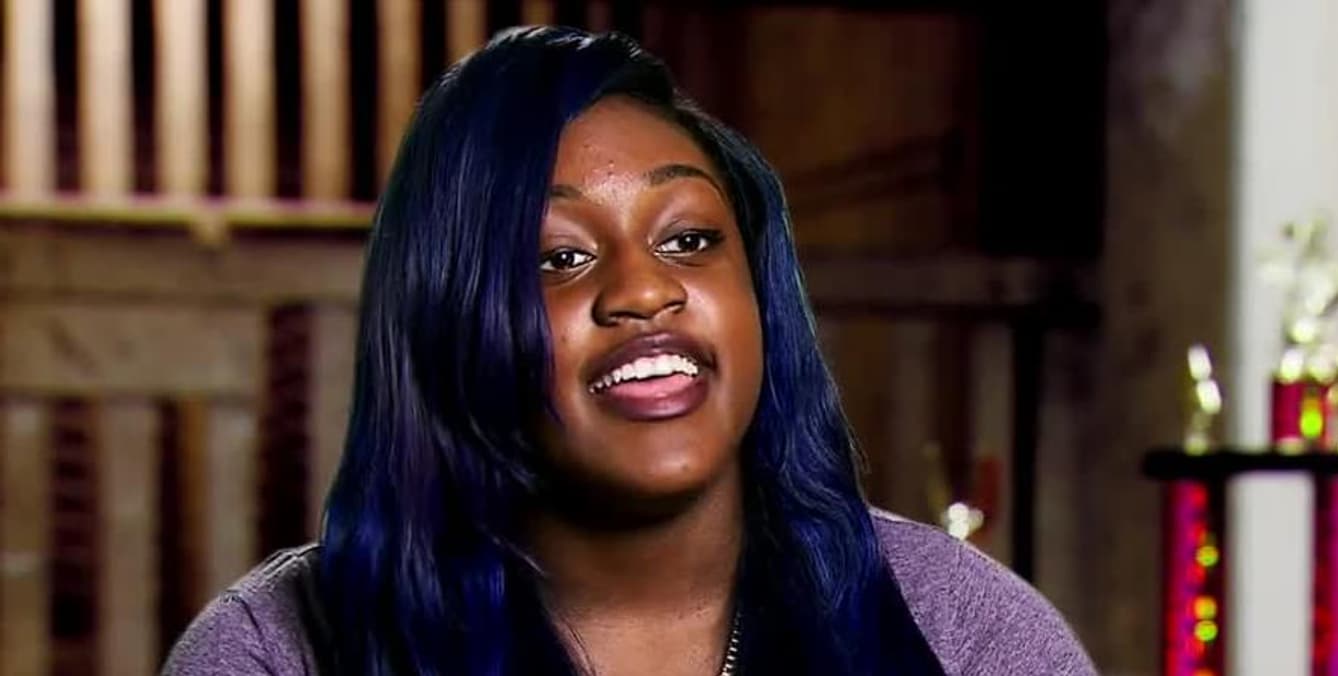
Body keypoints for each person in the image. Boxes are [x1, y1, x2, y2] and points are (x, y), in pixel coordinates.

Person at [162, 26, 1095, 676]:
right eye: (559, 257)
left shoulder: (965, 634)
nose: (645, 292)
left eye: (689, 239)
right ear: (449, 319)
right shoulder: (276, 652)